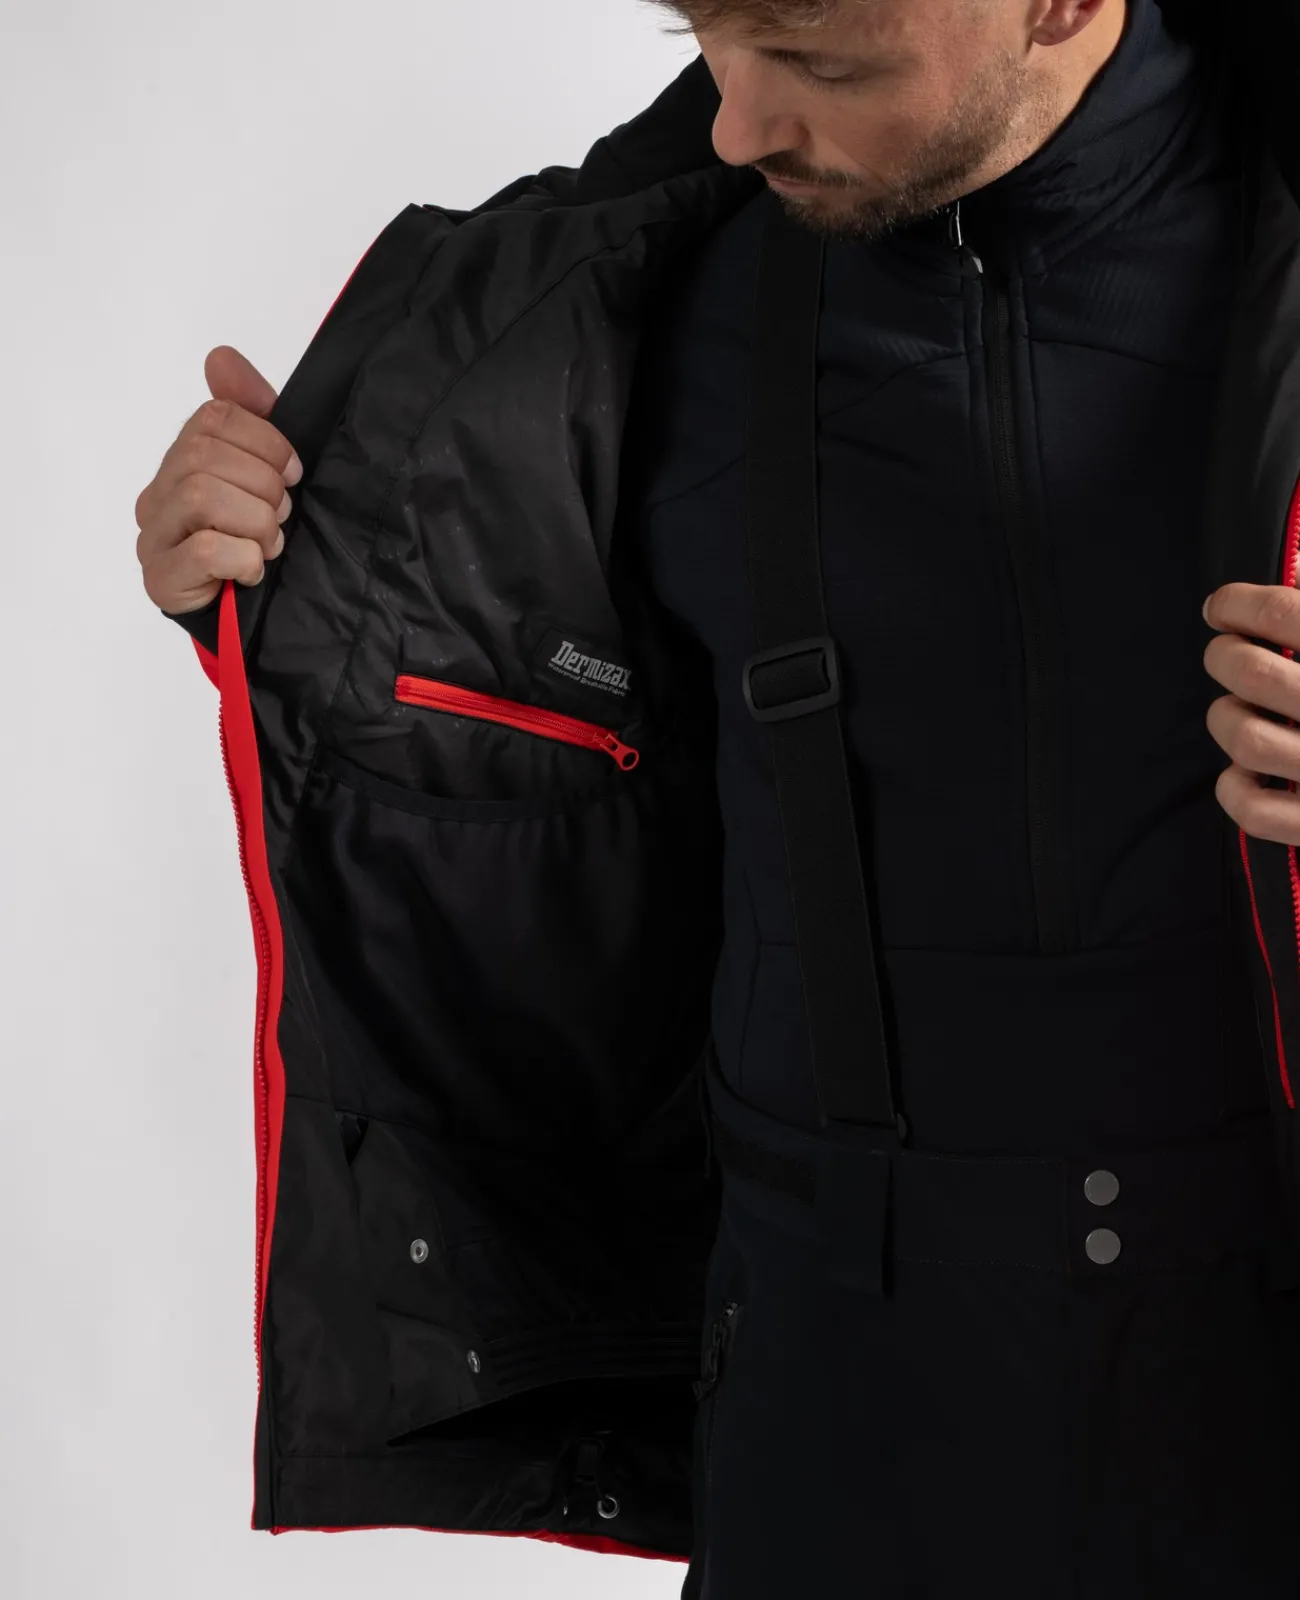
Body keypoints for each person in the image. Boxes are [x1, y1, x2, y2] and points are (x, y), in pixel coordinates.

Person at [134, 1, 1300, 1593]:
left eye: (815, 63)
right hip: (827, 1401)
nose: (734, 123)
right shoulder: (641, 294)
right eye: (705, 32)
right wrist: (280, 580)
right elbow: (492, 702)